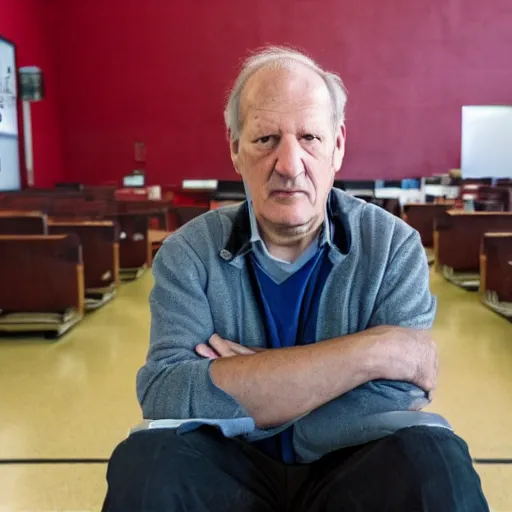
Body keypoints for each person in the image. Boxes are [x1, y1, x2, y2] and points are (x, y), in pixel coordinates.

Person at [102, 47, 489, 511]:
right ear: (234, 148)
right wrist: (371, 352)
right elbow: (166, 393)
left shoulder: (393, 247)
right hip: (228, 464)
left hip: (350, 462)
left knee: (437, 464)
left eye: (309, 137)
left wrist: (252, 382)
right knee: (145, 467)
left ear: (338, 146)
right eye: (265, 139)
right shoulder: (187, 253)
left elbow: (402, 389)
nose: (289, 165)